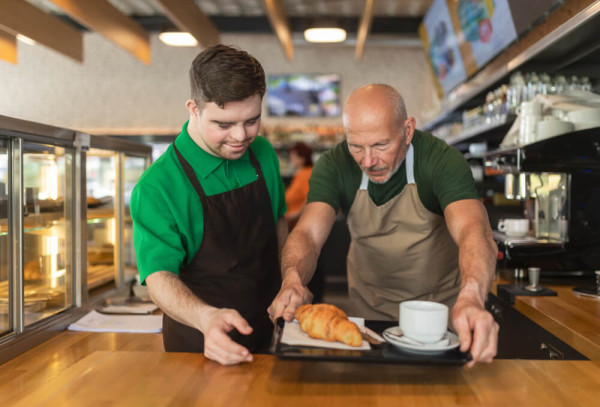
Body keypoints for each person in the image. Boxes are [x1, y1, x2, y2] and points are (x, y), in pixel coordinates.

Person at [268, 84, 499, 366]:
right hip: (369, 309)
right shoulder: (334, 165)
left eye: (381, 145)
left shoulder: (441, 161)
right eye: (356, 146)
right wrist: (292, 279)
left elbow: (474, 230)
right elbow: (307, 234)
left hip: (440, 314)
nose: (368, 161)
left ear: (408, 130)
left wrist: (473, 296)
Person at [131, 44, 293, 366]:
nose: (240, 136)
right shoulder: (158, 186)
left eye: (251, 121)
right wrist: (205, 318)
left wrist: (291, 278)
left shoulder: (263, 153)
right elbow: (159, 278)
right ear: (193, 108)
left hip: (272, 336)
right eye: (223, 124)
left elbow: (278, 224)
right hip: (199, 345)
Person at [284, 142, 313, 229]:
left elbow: (310, 199)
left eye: (294, 156)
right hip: (294, 224)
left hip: (300, 225)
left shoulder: (307, 174)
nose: (291, 159)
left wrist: (293, 216)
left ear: (302, 157)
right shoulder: (300, 173)